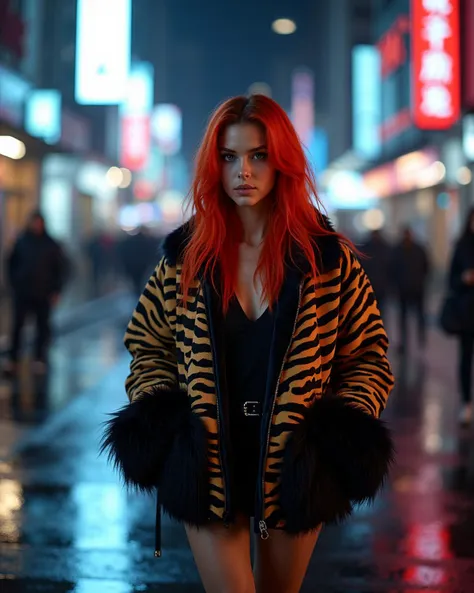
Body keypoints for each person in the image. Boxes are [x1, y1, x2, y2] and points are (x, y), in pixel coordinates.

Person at [102, 95, 395, 593]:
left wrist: (337, 428)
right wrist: (170, 421)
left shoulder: (327, 262)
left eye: (258, 155)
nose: (244, 171)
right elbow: (148, 344)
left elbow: (367, 355)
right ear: (212, 164)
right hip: (208, 463)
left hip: (293, 465)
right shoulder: (186, 260)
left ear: (282, 162)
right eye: (229, 157)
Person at [5, 211, 67, 373]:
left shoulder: (51, 244)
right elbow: (11, 264)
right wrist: (14, 284)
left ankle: (39, 357)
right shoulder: (21, 242)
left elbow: (60, 269)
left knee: (42, 327)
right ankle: (13, 358)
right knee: (17, 327)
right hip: (23, 292)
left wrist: (56, 290)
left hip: (43, 293)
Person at [447, 208, 474, 424]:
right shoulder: (461, 246)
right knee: (466, 359)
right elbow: (451, 281)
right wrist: (464, 279)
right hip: (467, 314)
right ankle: (466, 403)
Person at [392, 227, 430, 353]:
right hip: (405, 289)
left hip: (416, 288)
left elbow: (426, 267)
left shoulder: (417, 249)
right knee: (405, 317)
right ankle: (406, 341)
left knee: (418, 316)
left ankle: (420, 339)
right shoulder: (399, 250)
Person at [117, 226, 159, 297]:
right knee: (141, 279)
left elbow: (124, 253)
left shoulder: (130, 241)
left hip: (132, 264)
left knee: (135, 280)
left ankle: (137, 292)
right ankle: (139, 292)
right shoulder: (147, 241)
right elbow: (150, 253)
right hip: (142, 265)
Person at [360, 229, 392, 318]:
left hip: (379, 285)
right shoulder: (384, 248)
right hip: (372, 284)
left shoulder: (384, 248)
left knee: (378, 309)